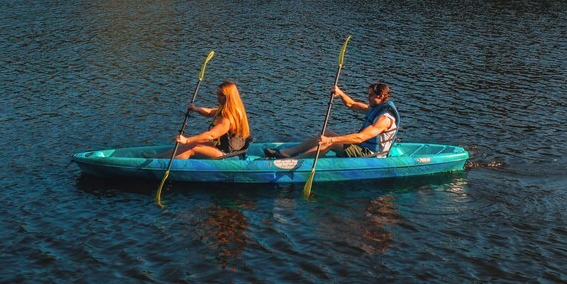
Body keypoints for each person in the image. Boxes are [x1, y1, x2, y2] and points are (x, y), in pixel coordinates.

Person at [264, 82, 398, 159]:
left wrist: (331, 140)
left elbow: (360, 137)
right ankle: (287, 153)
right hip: (362, 148)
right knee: (326, 132)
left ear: (381, 96)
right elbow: (351, 104)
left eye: (371, 95)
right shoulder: (375, 108)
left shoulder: (384, 119)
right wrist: (340, 93)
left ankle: (294, 161)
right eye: (367, 94)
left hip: (372, 154)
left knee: (330, 143)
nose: (368, 97)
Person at [168, 81, 252, 159]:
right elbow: (210, 112)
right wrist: (196, 109)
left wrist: (187, 140)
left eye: (221, 95)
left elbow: (211, 135)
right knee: (188, 145)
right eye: (217, 94)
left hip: (227, 153)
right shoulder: (227, 109)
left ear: (229, 97)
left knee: (190, 148)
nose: (218, 97)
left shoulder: (228, 118)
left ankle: (163, 163)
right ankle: (160, 158)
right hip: (220, 146)